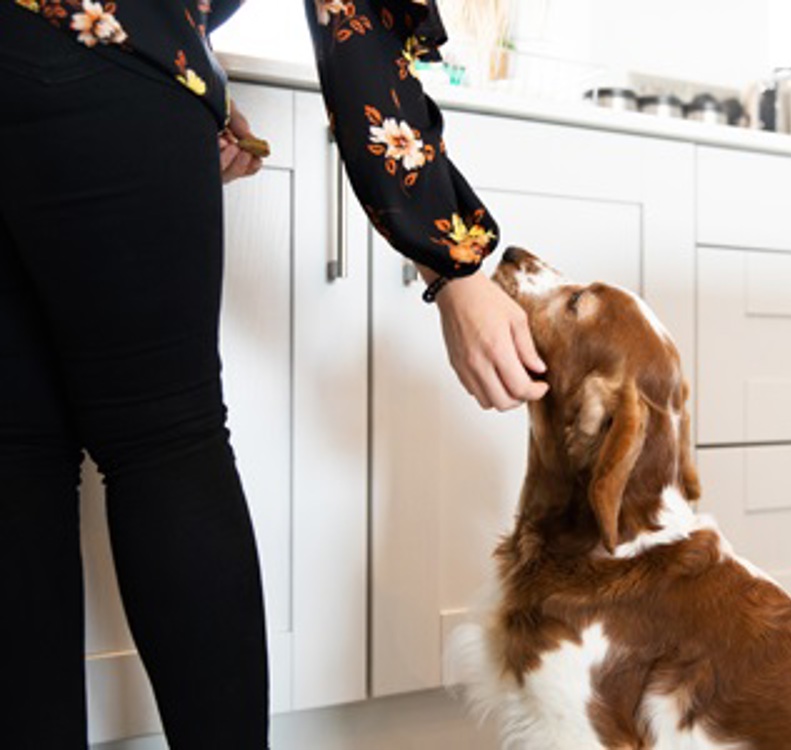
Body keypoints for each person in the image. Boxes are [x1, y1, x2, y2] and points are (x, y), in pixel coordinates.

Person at [0, 0, 548, 747]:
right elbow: (355, 21)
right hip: (97, 50)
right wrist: (452, 266)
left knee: (17, 464)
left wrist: (194, 75)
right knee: (165, 447)